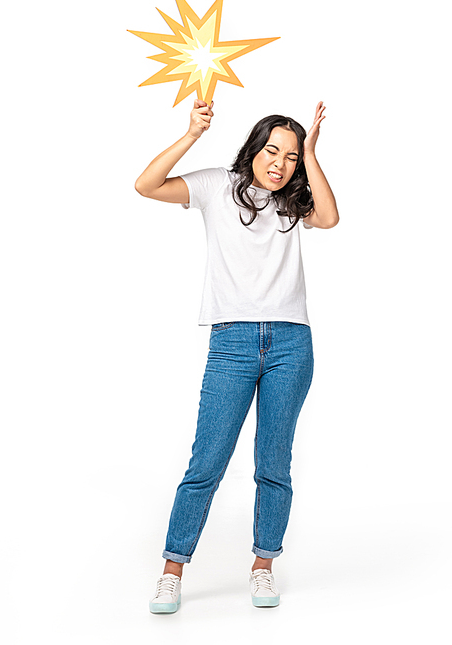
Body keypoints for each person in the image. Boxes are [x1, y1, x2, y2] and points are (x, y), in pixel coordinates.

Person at [135, 98, 339, 613]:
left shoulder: (294, 202)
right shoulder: (214, 186)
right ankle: (172, 569)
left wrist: (312, 152)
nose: (280, 164)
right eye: (274, 151)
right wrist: (191, 135)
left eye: (290, 157)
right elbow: (146, 185)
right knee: (207, 462)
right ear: (254, 148)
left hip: (292, 343)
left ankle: (264, 565)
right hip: (232, 342)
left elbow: (331, 218)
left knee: (274, 462)